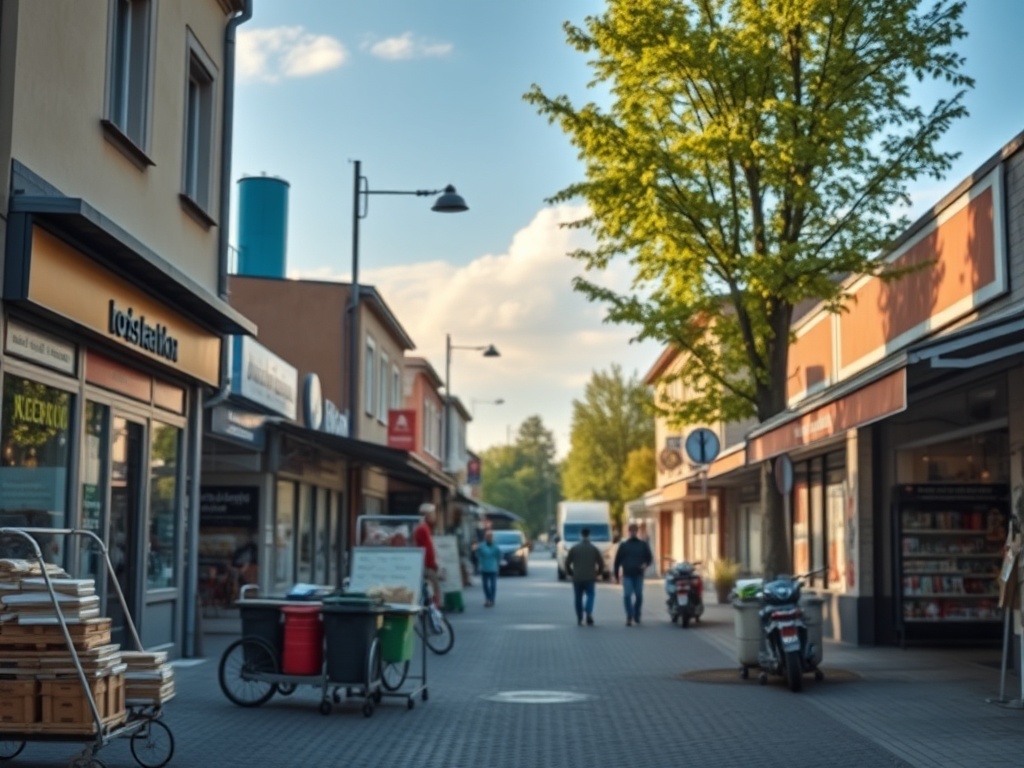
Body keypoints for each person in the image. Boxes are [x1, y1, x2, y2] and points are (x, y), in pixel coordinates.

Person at [614, 521, 653, 626]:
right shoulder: (624, 545)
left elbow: (649, 558)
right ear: (628, 532)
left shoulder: (642, 545)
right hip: (627, 574)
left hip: (639, 574)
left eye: (635, 531)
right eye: (631, 531)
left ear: (637, 532)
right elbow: (617, 561)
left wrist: (645, 565)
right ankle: (629, 616)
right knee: (627, 596)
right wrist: (616, 576)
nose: (633, 533)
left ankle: (637, 614)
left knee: (639, 596)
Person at [565, 527, 603, 626]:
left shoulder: (574, 548)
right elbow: (601, 563)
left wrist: (571, 573)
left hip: (577, 577)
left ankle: (579, 617)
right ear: (589, 535)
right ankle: (588, 611)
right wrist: (598, 573)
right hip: (590, 577)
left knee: (578, 597)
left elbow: (567, 563)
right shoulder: (594, 549)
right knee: (591, 595)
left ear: (581, 535)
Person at [414, 503, 443, 607]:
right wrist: (432, 563)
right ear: (427, 515)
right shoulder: (423, 528)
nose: (435, 516)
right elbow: (427, 549)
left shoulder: (424, 527)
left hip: (424, 562)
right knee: (435, 585)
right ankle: (435, 606)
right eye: (433, 513)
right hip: (425, 564)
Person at [475, 529, 502, 607]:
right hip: (484, 568)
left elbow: (498, 557)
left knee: (493, 585)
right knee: (485, 585)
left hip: (493, 568)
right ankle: (487, 599)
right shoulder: (481, 546)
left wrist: (497, 566)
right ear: (485, 537)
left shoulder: (495, 547)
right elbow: (478, 555)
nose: (489, 538)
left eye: (490, 536)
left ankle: (492, 599)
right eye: (487, 536)